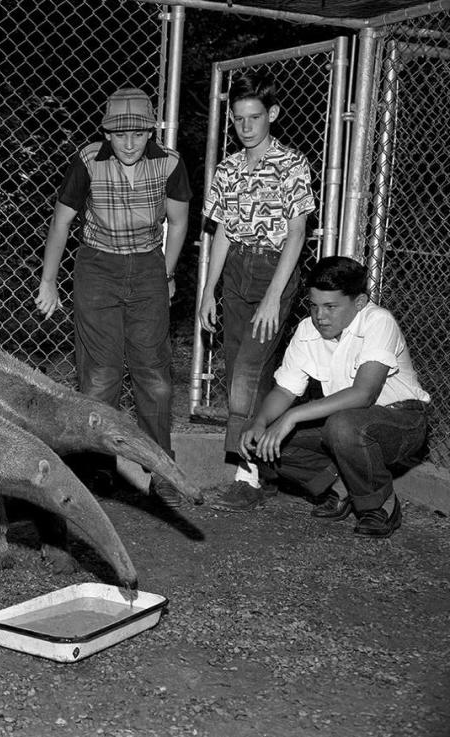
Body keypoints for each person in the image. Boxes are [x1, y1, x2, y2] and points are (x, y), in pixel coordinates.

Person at [34, 87, 191, 506]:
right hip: (97, 268)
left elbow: (177, 222)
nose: (128, 143)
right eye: (119, 135)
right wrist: (49, 280)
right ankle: (95, 469)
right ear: (106, 133)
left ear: (150, 132)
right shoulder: (88, 160)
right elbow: (62, 222)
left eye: (138, 134)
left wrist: (167, 271)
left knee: (154, 376)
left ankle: (163, 470)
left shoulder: (170, 163)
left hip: (146, 268)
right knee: (101, 376)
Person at [238, 256, 430, 538]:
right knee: (263, 440)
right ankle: (342, 488)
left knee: (341, 425)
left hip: (401, 421)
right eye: (314, 306)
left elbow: (363, 395)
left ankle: (380, 505)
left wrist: (291, 416)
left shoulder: (378, 321)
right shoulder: (307, 330)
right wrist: (260, 421)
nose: (320, 316)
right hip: (345, 426)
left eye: (331, 307)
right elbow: (284, 389)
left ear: (360, 302)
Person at [198, 70, 317, 512]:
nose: (245, 127)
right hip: (235, 271)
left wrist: (274, 295)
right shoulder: (228, 167)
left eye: (254, 117)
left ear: (273, 114)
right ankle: (271, 467)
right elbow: (223, 233)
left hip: (274, 271)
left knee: (248, 371)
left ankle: (244, 476)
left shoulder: (291, 164)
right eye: (238, 119)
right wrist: (208, 292)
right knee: (244, 370)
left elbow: (298, 232)